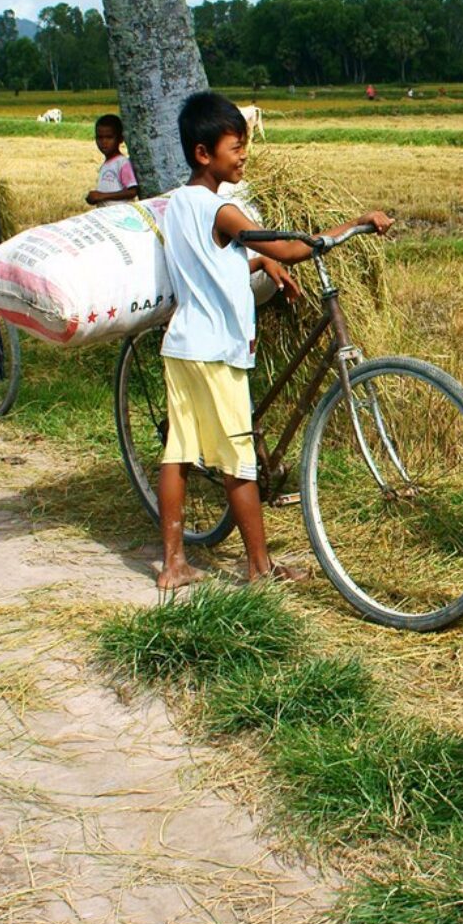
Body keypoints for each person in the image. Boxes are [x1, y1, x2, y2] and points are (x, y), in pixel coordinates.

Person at [154, 90, 393, 590]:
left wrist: (259, 261)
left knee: (177, 452)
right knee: (239, 464)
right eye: (235, 147)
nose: (243, 155)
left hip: (182, 347)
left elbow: (208, 259)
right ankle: (261, 569)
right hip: (216, 352)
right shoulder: (222, 211)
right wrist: (355, 223)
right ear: (204, 154)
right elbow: (286, 243)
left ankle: (173, 563)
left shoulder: (178, 204)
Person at [86, 113, 141, 207]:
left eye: (109, 137)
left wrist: (102, 196)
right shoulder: (106, 165)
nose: (104, 142)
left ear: (120, 139)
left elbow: (132, 191)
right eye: (100, 137)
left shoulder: (122, 163)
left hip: (119, 216)